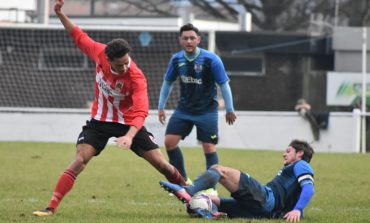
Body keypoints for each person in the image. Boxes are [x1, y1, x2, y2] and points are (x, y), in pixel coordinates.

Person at [32, 0, 186, 216]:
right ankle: (50, 208)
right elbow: (78, 36)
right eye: (119, 64)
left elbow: (141, 111)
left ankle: (191, 196)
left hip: (128, 124)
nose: (124, 67)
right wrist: (59, 14)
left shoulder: (137, 77)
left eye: (126, 62)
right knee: (79, 159)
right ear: (107, 59)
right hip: (100, 122)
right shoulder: (99, 52)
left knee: (162, 165)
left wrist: (130, 136)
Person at [157, 23, 237, 186]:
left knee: (209, 147)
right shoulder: (176, 59)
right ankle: (183, 182)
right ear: (180, 40)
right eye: (185, 38)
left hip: (207, 111)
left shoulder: (211, 59)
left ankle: (209, 189)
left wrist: (230, 109)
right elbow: (167, 83)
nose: (188, 41)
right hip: (184, 109)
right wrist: (160, 106)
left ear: (198, 40)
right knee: (169, 142)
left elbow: (224, 85)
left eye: (192, 38)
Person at [159, 139, 315, 222]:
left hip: (265, 199)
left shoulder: (301, 165)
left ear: (300, 153)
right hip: (263, 212)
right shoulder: (294, 170)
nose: (284, 154)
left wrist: (297, 209)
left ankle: (186, 190)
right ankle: (207, 211)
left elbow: (309, 188)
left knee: (219, 170)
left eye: (288, 151)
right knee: (205, 199)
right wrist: (296, 211)